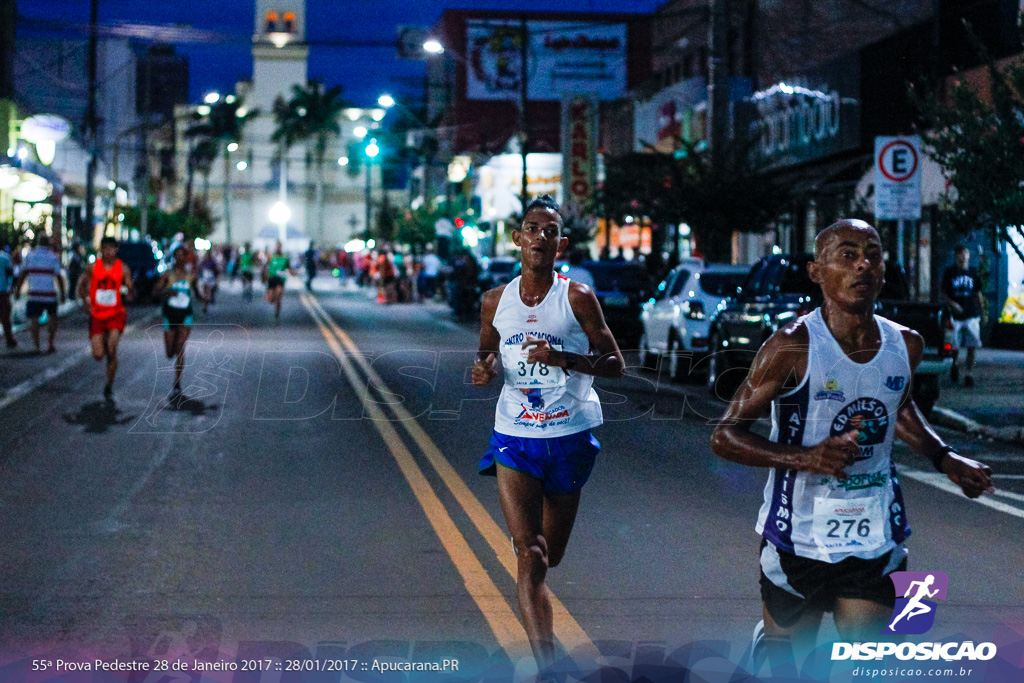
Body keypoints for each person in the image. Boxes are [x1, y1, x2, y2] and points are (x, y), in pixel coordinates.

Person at [710, 219, 993, 667]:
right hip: (796, 535)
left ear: (882, 270)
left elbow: (899, 410)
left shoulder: (907, 344)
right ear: (817, 271)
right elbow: (724, 436)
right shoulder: (791, 346)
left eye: (873, 255)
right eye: (847, 254)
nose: (863, 264)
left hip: (875, 533)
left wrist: (945, 457)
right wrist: (805, 457)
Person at [471, 195, 624, 675]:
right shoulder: (495, 301)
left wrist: (565, 360)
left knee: (551, 555)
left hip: (570, 435)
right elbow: (486, 353)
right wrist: (484, 368)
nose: (540, 236)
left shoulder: (576, 297)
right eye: (532, 228)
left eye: (550, 230)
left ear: (561, 242)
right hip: (514, 434)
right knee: (529, 555)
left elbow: (615, 364)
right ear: (517, 239)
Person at [78, 236, 134, 400]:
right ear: (101, 249)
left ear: (116, 250)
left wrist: (130, 290)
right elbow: (82, 285)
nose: (109, 252)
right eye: (106, 248)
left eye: (112, 248)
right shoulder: (93, 267)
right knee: (98, 355)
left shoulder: (122, 268)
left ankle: (109, 384)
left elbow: (130, 288)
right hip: (97, 314)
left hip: (115, 314)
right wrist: (85, 301)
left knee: (111, 350)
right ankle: (101, 341)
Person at [154, 246, 206, 398]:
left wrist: (205, 299)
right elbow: (155, 292)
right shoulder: (167, 275)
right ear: (174, 257)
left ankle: (177, 382)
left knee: (180, 346)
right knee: (170, 352)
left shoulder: (191, 276)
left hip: (185, 315)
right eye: (177, 255)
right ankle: (174, 357)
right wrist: (167, 292)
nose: (180, 258)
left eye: (183, 255)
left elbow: (197, 293)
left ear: (187, 257)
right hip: (170, 315)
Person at [940, 245, 985, 388]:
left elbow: (978, 293)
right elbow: (944, 293)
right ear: (955, 256)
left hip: (971, 314)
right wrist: (953, 305)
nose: (962, 256)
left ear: (968, 255)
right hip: (956, 316)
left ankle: (969, 374)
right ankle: (954, 364)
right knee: (954, 345)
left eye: (964, 253)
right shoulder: (950, 272)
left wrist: (982, 311)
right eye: (959, 254)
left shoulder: (973, 272)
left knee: (972, 345)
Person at [14, 233, 66, 354]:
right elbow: (58, 277)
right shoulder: (52, 257)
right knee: (53, 317)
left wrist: (17, 290)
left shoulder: (30, 256)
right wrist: (63, 294)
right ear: (48, 244)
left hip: (34, 294)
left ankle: (37, 346)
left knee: (34, 320)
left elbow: (23, 275)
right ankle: (50, 343)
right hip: (49, 293)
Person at [263, 243, 290, 320]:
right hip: (272, 278)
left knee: (279, 293)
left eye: (280, 247)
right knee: (271, 299)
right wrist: (265, 275)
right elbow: (266, 266)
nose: (278, 248)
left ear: (281, 248)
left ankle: (277, 311)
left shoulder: (285, 257)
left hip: (280, 279)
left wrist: (292, 272)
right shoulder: (271, 256)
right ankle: (271, 298)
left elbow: (288, 267)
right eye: (277, 247)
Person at [0, 242, 16, 348]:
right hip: (3, 290)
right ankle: (9, 339)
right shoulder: (5, 257)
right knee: (5, 316)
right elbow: (10, 273)